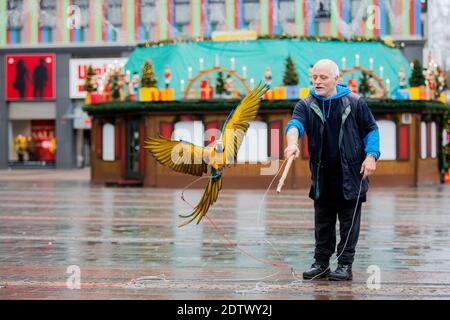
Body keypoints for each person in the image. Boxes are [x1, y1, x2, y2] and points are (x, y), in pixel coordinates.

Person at [284, 59, 380, 281]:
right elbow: (295, 125)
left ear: (337, 79)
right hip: (322, 175)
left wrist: (372, 155)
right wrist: (291, 143)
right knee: (323, 222)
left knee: (349, 224)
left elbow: (371, 130)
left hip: (352, 174)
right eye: (315, 77)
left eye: (323, 77)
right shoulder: (306, 104)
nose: (317, 82)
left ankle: (345, 264)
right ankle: (321, 263)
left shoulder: (355, 103)